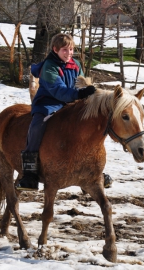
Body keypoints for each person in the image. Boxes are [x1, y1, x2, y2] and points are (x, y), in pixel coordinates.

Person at [17, 33, 112, 191]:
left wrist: (89, 91)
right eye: (65, 50)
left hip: (70, 104)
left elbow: (80, 83)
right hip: (48, 104)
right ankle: (29, 173)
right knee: (37, 127)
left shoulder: (75, 64)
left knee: (88, 127)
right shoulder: (49, 67)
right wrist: (78, 94)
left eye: (71, 49)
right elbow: (58, 91)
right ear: (55, 49)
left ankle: (91, 172)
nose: (69, 53)